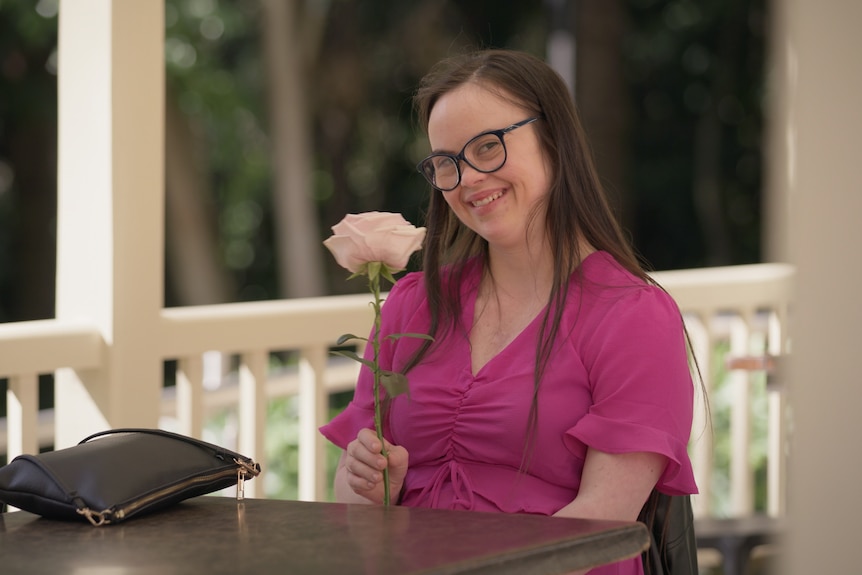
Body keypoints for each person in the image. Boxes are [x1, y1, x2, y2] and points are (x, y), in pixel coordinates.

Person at [320, 49, 698, 575]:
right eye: (447, 162)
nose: (468, 179)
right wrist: (368, 485)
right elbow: (354, 503)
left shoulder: (633, 316)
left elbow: (599, 523)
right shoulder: (412, 302)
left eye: (488, 147)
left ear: (554, 138)